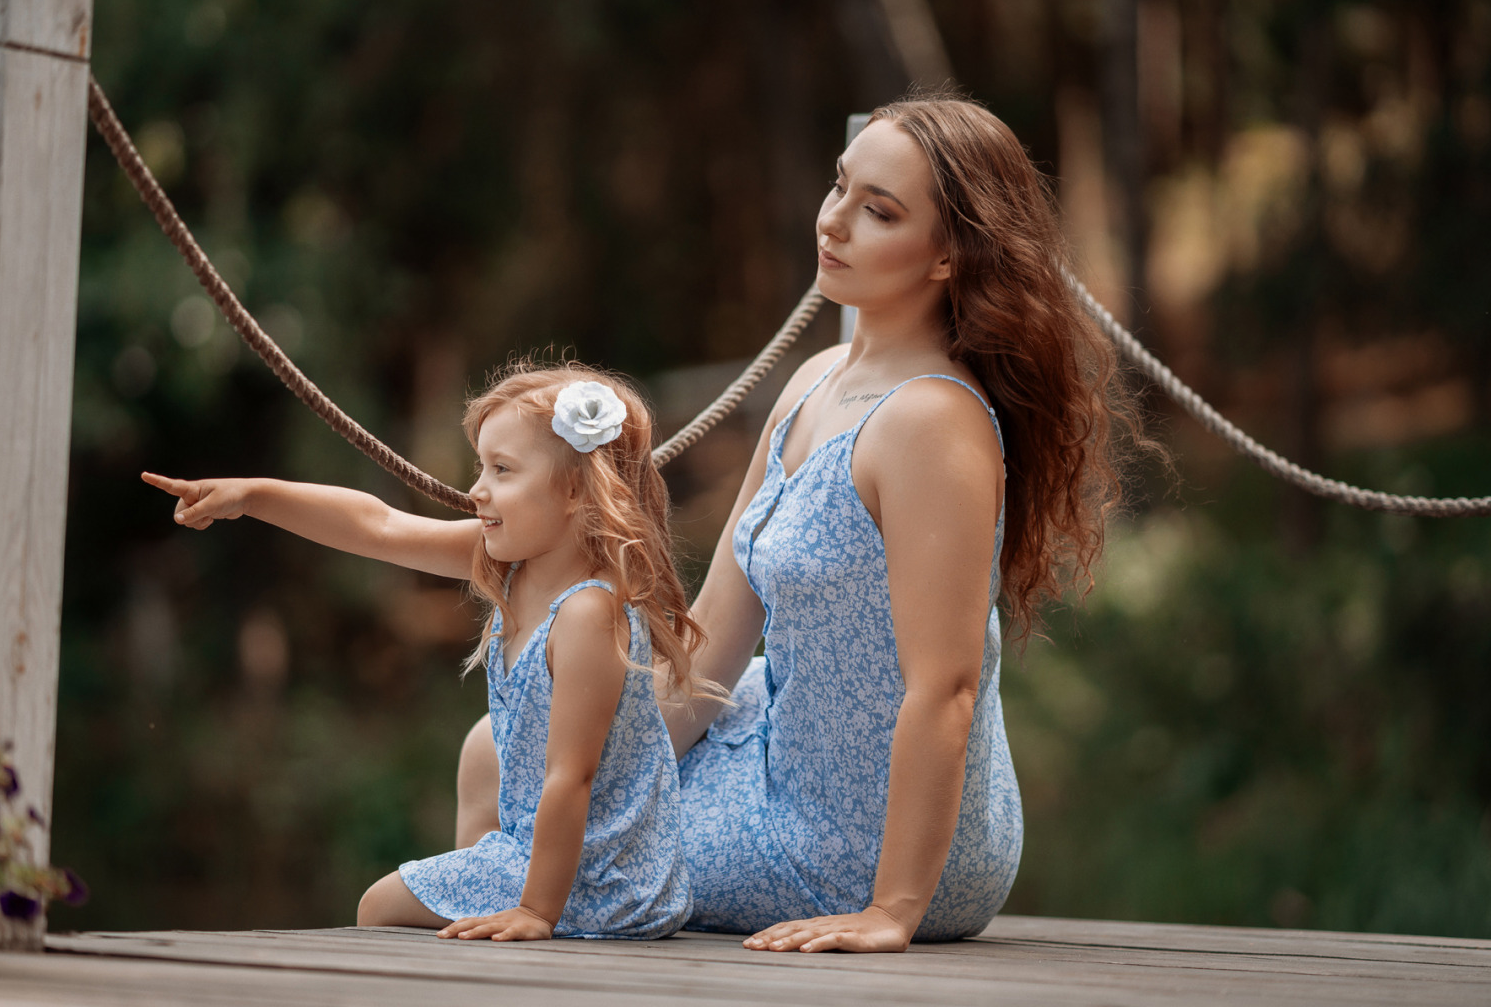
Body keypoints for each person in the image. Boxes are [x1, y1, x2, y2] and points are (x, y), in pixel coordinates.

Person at [453, 92, 1141, 952]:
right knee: (502, 748)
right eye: (839, 187)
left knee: (576, 822)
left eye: (878, 211)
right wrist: (590, 739)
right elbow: (712, 640)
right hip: (780, 748)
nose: (835, 221)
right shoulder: (814, 380)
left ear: (946, 259)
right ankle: (508, 925)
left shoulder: (931, 422)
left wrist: (892, 910)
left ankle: (506, 935)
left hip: (870, 846)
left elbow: (946, 690)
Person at [144, 362, 715, 940]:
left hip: (603, 883)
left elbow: (572, 777)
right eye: (480, 467)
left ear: (572, 490)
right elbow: (379, 527)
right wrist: (254, 496)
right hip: (558, 861)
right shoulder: (511, 564)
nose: (477, 490)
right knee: (389, 904)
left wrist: (536, 913)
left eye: (502, 470)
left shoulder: (588, 612)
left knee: (379, 907)